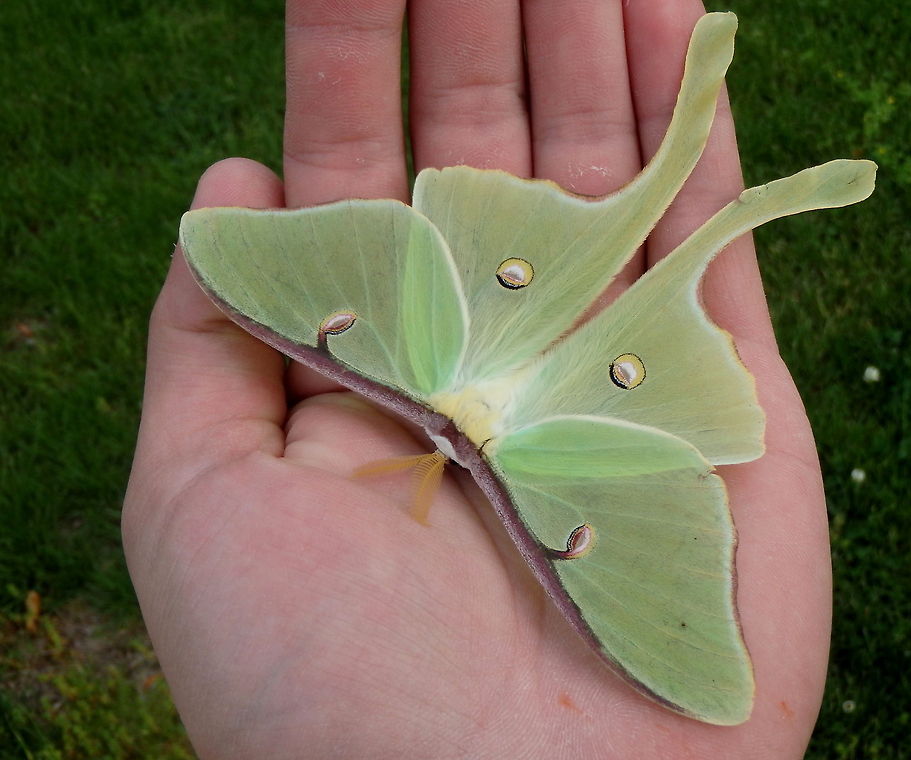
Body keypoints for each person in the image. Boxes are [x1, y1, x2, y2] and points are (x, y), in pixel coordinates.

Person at [123, 1, 832, 756]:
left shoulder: (412, 399)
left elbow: (253, 263)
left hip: (497, 301)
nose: (453, 444)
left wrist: (287, 303)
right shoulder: (488, 464)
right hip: (587, 367)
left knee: (654, 216)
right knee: (676, 235)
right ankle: (765, 189)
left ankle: (766, 190)